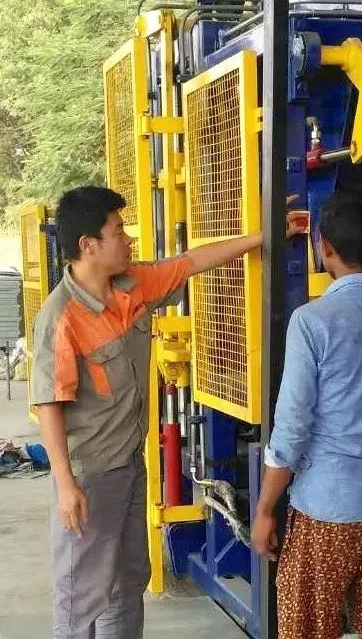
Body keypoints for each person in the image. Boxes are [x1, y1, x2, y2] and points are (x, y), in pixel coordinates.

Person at [31, 185, 305, 639]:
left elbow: (192, 262)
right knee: (81, 598)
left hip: (129, 466)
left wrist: (262, 235)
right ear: (88, 245)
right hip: (90, 477)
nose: (128, 238)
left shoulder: (133, 286)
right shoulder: (61, 317)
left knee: (126, 583)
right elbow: (49, 405)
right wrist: (65, 485)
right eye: (118, 230)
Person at [251, 190, 362, 639]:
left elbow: (292, 429)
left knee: (308, 630)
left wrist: (265, 508)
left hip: (324, 511)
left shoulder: (313, 321)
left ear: (325, 247)